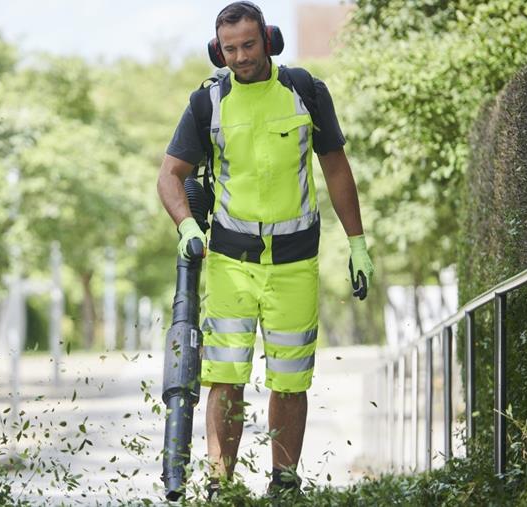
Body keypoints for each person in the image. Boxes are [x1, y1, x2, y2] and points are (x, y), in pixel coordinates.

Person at [156, 1, 374, 499]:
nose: (239, 57)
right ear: (218, 50)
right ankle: (221, 485)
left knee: (291, 380)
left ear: (269, 40)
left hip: (296, 262)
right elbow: (170, 175)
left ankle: (284, 482)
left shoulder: (305, 91)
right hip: (232, 263)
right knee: (224, 377)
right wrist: (186, 224)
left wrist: (358, 243)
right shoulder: (207, 103)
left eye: (248, 45)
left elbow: (336, 167)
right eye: (229, 49)